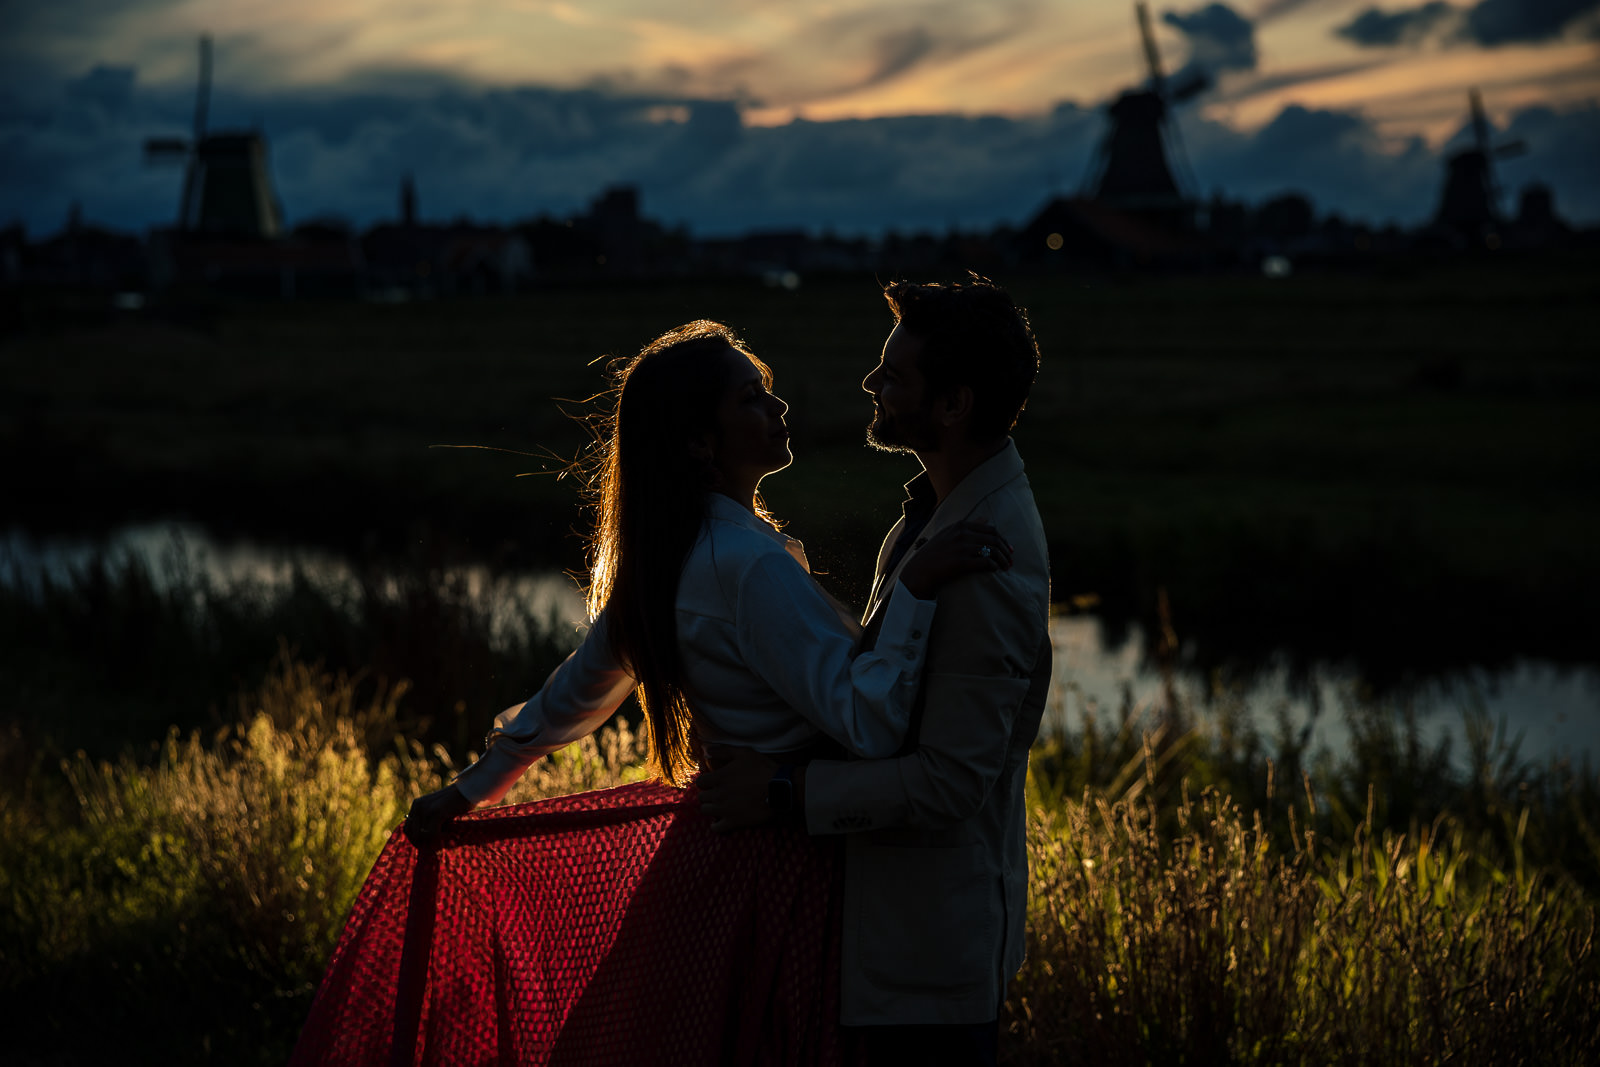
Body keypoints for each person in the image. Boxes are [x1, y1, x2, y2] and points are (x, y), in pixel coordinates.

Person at [291, 319, 1011, 1066]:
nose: (779, 407)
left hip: (715, 863)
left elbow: (568, 698)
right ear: (700, 442)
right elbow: (870, 719)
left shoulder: (672, 557)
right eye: (751, 398)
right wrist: (919, 593)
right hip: (786, 869)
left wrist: (468, 790)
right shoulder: (747, 566)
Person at [699, 277, 1052, 1067]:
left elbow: (951, 782)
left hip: (927, 970)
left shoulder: (984, 559)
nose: (871, 383)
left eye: (894, 376)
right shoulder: (934, 513)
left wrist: (783, 791)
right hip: (897, 954)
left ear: (954, 405)